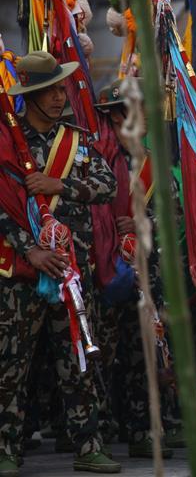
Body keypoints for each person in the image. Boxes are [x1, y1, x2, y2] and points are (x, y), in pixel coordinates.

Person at [0, 51, 120, 474]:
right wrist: (27, 248)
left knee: (79, 362)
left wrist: (61, 185)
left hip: (71, 271)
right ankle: (6, 448)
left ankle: (88, 445)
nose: (57, 97)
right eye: (48, 90)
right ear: (30, 95)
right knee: (12, 364)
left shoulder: (79, 140)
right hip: (24, 271)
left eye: (59, 88)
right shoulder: (8, 145)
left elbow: (107, 185)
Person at [91, 81, 174, 459]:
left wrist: (145, 220)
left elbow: (173, 216)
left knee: (145, 350)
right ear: (114, 117)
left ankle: (143, 429)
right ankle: (99, 428)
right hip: (103, 271)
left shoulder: (152, 160)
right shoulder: (94, 158)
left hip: (146, 271)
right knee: (103, 354)